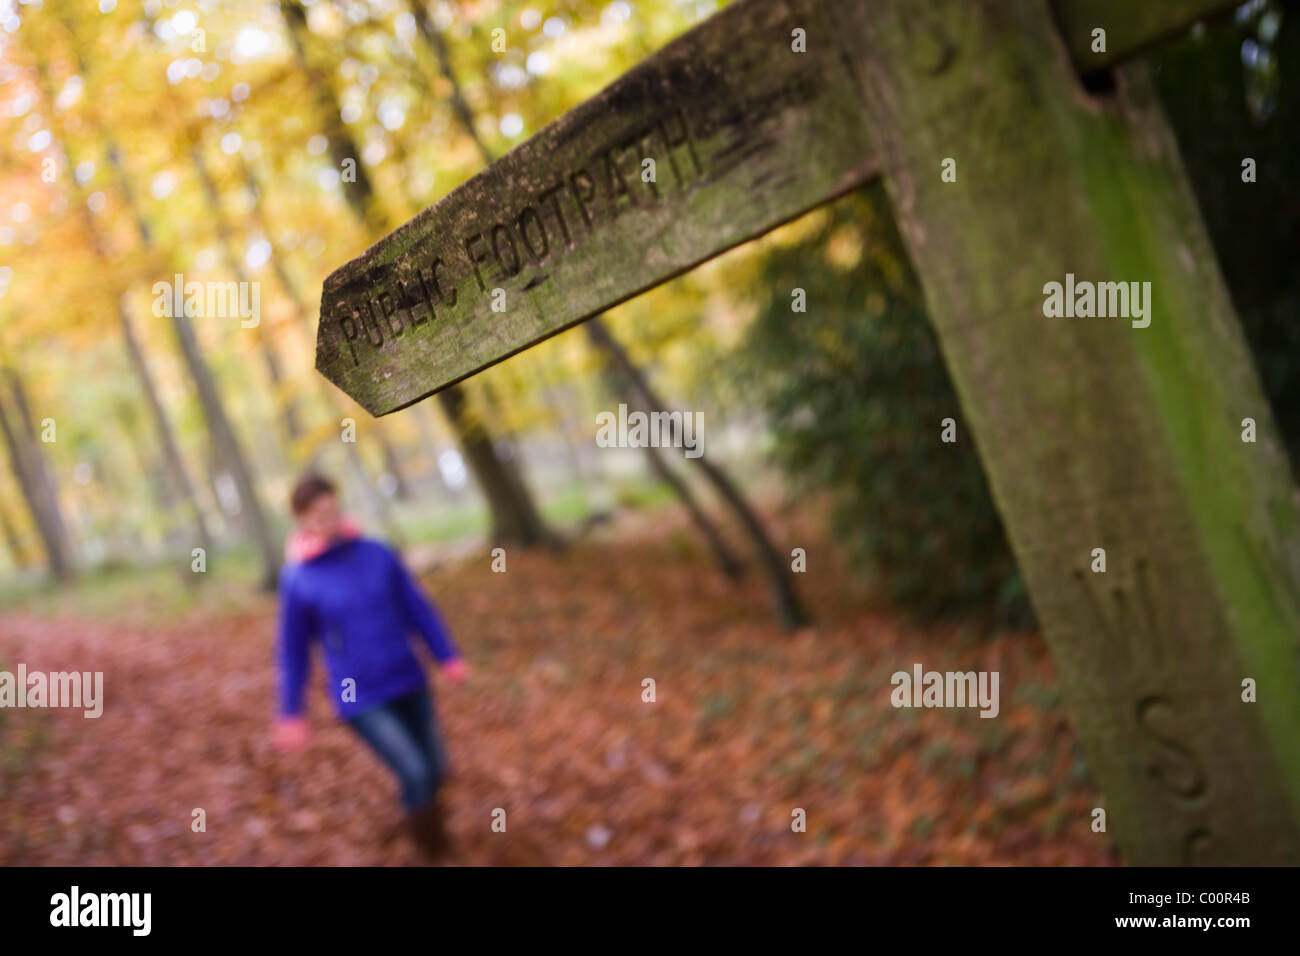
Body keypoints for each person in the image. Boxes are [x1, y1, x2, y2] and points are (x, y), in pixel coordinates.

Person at [272, 473, 468, 858]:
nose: (327, 519)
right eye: (316, 514)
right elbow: (293, 651)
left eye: (331, 509)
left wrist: (447, 656)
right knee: (414, 772)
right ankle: (433, 852)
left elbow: (417, 608)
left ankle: (430, 829)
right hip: (360, 696)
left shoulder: (377, 554)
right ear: (301, 520)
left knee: (437, 770)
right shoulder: (298, 579)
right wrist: (290, 712)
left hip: (408, 677)